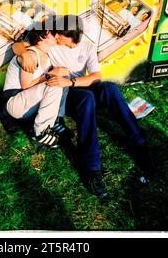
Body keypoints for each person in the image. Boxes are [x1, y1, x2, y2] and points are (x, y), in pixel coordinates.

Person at [12, 15, 152, 198]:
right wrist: (24, 54)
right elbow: (20, 44)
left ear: (70, 37)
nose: (54, 37)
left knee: (110, 88)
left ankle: (139, 142)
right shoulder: (54, 45)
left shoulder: (87, 47)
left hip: (76, 85)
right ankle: (92, 169)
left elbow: (95, 77)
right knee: (86, 99)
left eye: (59, 35)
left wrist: (71, 82)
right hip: (66, 95)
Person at [3, 23, 69, 149]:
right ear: (41, 37)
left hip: (28, 102)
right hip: (15, 102)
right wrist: (49, 75)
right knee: (54, 84)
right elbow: (26, 86)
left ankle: (53, 122)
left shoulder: (48, 56)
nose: (56, 34)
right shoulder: (31, 55)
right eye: (51, 32)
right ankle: (39, 133)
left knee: (60, 81)